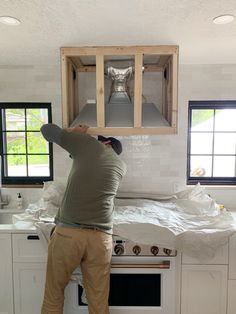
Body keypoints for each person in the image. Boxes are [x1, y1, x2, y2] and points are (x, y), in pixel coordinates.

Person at [40, 123, 126, 314]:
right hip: (101, 239)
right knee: (98, 300)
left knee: (53, 295)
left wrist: (73, 133)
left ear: (104, 142)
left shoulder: (89, 145)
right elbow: (82, 161)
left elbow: (47, 130)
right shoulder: (121, 166)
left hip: (69, 234)